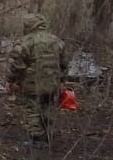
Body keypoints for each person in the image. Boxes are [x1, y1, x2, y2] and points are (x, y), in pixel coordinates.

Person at [6, 12, 68, 147]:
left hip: (32, 83)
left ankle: (37, 139)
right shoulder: (57, 41)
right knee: (47, 107)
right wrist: (62, 81)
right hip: (53, 83)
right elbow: (63, 63)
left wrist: (11, 80)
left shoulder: (25, 42)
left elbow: (15, 63)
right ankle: (46, 134)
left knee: (31, 109)